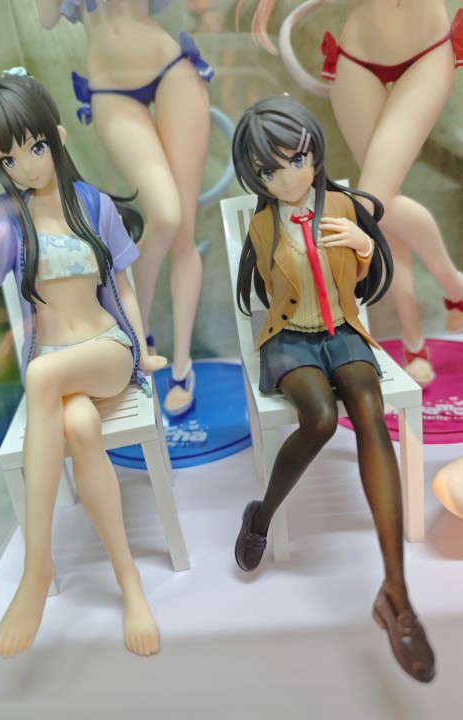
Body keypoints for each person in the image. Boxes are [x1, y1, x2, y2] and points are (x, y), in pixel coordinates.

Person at [0, 70, 166, 659]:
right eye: (8, 158)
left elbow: (122, 287)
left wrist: (142, 349)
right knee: (79, 424)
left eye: (35, 147)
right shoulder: (10, 219)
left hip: (106, 354)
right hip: (55, 370)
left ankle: (37, 566)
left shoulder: (93, 205)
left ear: (58, 137)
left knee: (42, 377)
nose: (25, 166)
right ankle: (130, 584)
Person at [231, 94, 435, 682]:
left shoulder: (345, 205)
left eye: (296, 160)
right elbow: (271, 291)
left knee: (369, 408)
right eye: (269, 171)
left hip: (344, 331)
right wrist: (294, 247)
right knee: (320, 418)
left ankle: (396, 595)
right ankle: (260, 516)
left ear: (314, 152)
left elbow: (362, 282)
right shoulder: (263, 225)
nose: (287, 178)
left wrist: (365, 247)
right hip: (290, 339)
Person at [237, 0, 463, 388]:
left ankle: (452, 284)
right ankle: (417, 335)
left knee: (373, 198)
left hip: (427, 49)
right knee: (383, 203)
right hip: (358, 56)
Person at [36, 0, 214, 416]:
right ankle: (139, 335)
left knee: (183, 232)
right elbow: (46, 19)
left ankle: (182, 366)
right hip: (111, 89)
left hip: (170, 68)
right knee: (165, 216)